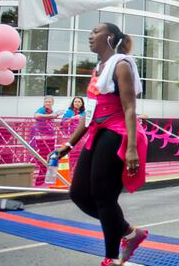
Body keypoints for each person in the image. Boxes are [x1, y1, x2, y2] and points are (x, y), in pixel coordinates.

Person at [56, 23, 148, 266]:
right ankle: (129, 232)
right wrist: (69, 143)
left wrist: (130, 149)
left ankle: (110, 258)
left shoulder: (121, 65)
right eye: (90, 32)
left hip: (117, 132)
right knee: (78, 194)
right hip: (97, 131)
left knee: (103, 197)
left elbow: (130, 108)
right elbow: (90, 112)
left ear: (110, 37)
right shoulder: (98, 69)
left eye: (95, 31)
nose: (90, 35)